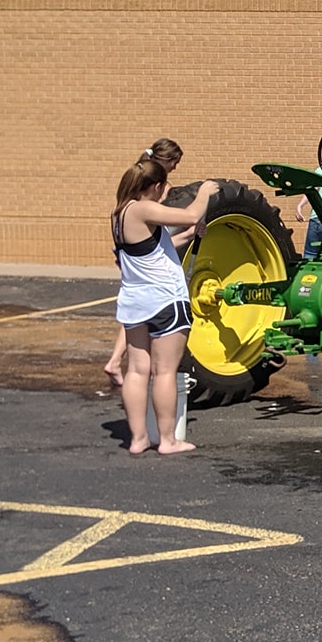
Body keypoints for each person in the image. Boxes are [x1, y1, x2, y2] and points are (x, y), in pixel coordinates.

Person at [113, 157, 218, 455]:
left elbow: (154, 249)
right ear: (155, 186)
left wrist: (190, 234)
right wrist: (205, 192)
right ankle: (168, 440)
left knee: (136, 370)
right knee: (164, 372)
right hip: (164, 300)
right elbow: (189, 214)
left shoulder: (119, 213)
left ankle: (137, 439)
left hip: (135, 301)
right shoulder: (143, 207)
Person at [105, 138, 183, 383]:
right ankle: (117, 359)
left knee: (136, 312)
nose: (175, 168)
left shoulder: (131, 192)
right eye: (175, 162)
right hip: (153, 262)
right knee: (162, 369)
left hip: (133, 261)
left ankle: (116, 360)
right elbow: (179, 221)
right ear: (167, 161)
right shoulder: (158, 188)